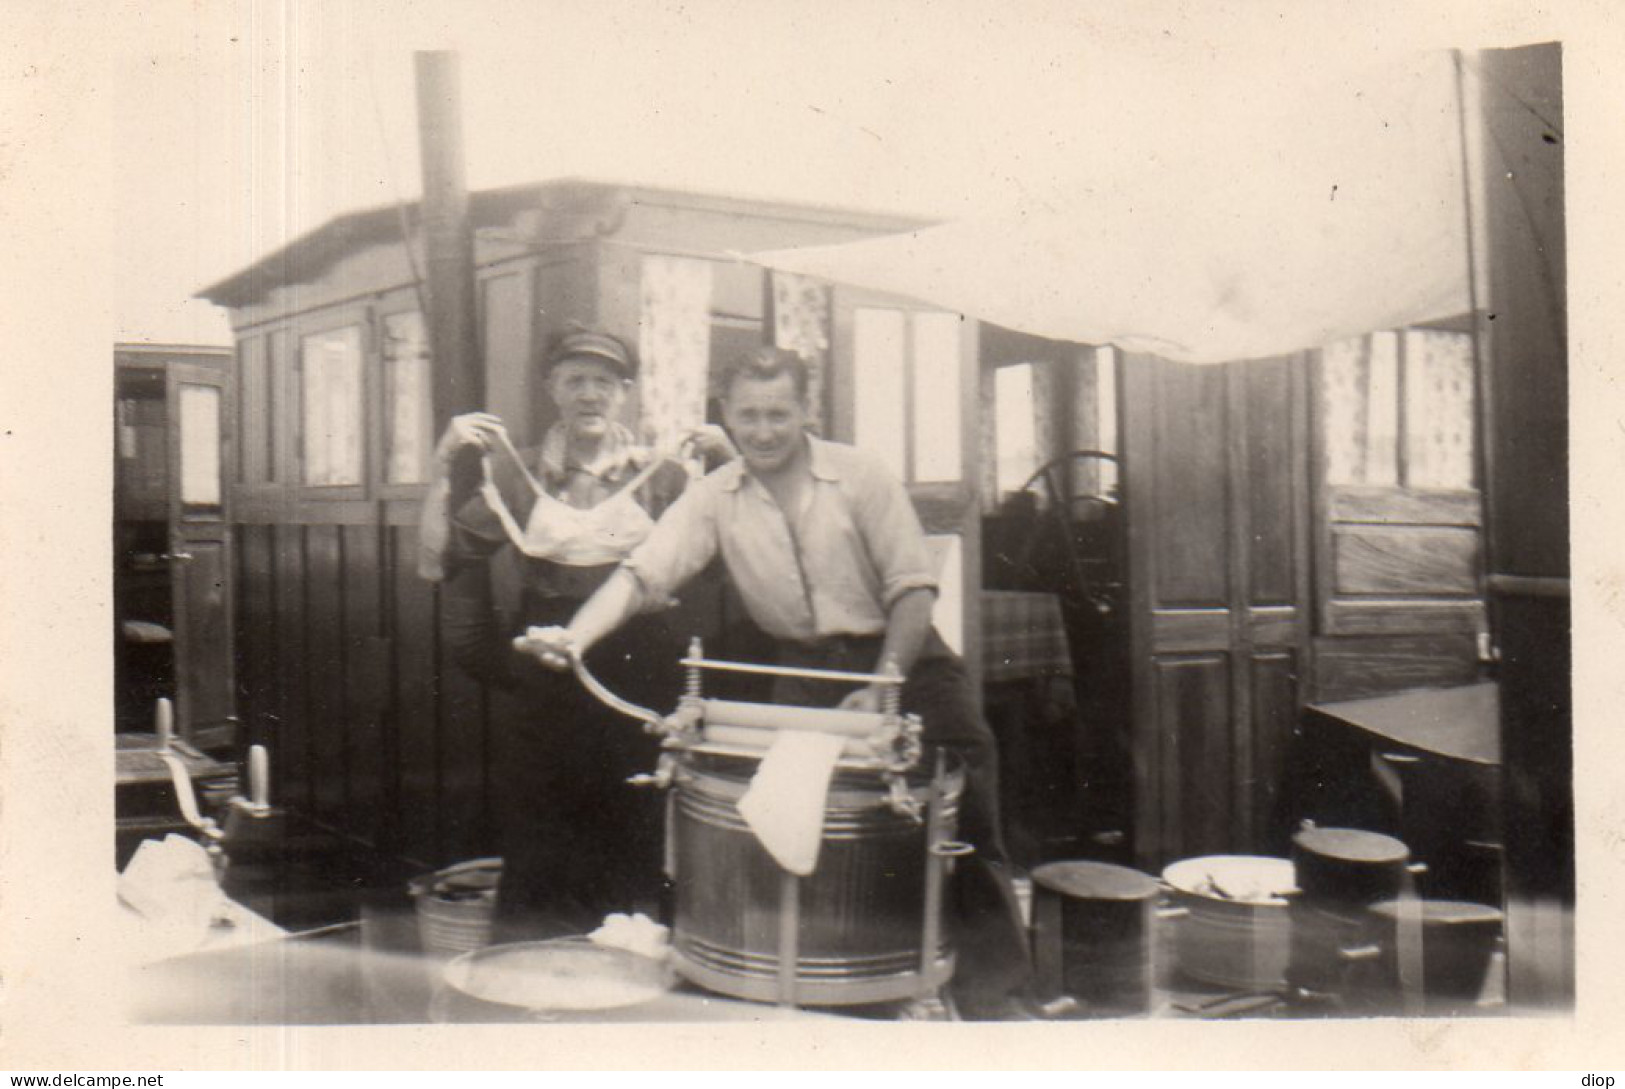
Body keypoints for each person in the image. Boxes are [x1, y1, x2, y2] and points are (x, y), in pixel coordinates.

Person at [518, 346, 1036, 1019]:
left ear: (805, 411)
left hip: (907, 662)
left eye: (777, 414)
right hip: (801, 673)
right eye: (747, 416)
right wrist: (574, 635)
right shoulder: (713, 497)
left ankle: (998, 1004)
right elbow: (642, 574)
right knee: (810, 829)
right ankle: (842, 1001)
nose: (762, 431)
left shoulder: (860, 475)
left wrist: (885, 680)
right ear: (725, 416)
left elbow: (912, 590)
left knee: (960, 817)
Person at [418, 328, 730, 942]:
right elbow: (435, 562)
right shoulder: (519, 474)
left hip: (640, 664)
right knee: (542, 822)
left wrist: (726, 459)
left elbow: (723, 559)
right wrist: (439, 467)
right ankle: (531, 972)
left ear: (626, 394)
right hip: (545, 663)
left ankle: (634, 958)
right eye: (575, 380)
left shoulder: (661, 476)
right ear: (552, 389)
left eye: (604, 383)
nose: (590, 394)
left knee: (636, 813)